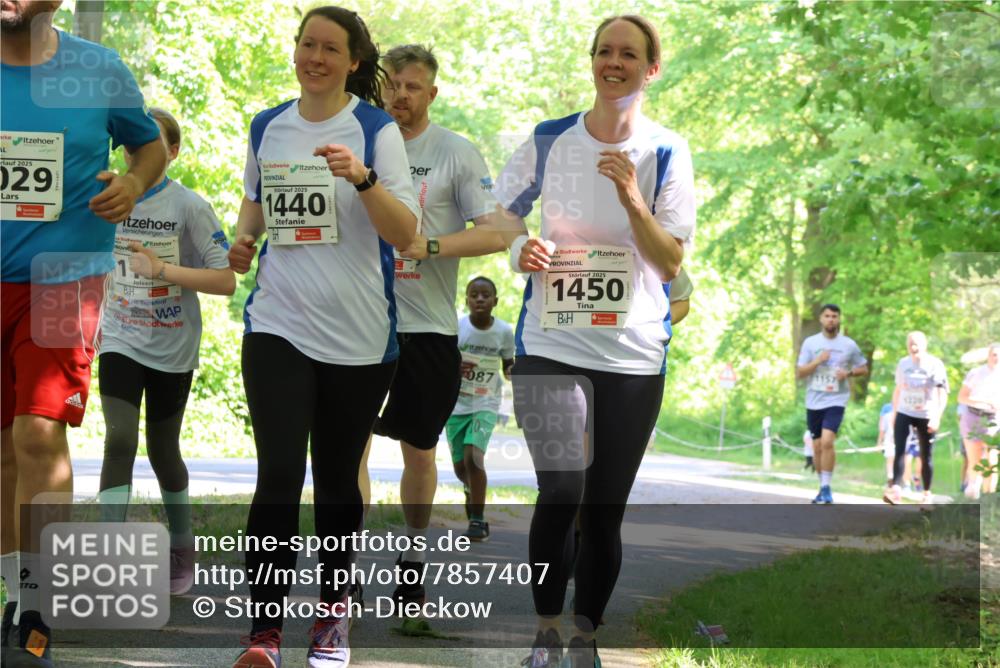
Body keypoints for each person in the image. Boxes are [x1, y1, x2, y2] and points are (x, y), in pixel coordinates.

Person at [494, 14, 696, 667]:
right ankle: (546, 633)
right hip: (551, 344)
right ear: (592, 61)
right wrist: (519, 248)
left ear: (650, 69)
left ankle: (586, 640)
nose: (614, 62)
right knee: (561, 491)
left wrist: (633, 198)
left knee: (603, 511)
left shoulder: (667, 150)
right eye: (604, 51)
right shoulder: (550, 139)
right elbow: (502, 214)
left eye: (629, 54)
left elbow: (669, 262)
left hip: (632, 355)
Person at [227, 7, 418, 668]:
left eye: (330, 48)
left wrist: (362, 178)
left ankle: (332, 615)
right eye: (307, 44)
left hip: (359, 337)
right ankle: (264, 634)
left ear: (353, 61)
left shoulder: (376, 130)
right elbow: (256, 202)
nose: (315, 57)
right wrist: (243, 240)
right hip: (278, 323)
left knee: (337, 481)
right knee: (279, 474)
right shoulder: (268, 125)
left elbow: (406, 234)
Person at [1, 2, 165, 665]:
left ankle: (37, 607)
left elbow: (149, 146)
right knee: (2, 447)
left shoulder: (98, 69)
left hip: (64, 276)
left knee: (38, 431)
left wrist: (133, 182)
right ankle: (15, 592)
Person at [361, 43, 504, 605]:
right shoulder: (357, 138)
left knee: (419, 450)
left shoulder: (455, 152)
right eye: (392, 85)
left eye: (412, 86)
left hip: (427, 330)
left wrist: (432, 245)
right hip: (357, 322)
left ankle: (413, 555)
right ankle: (344, 566)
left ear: (431, 93)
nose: (400, 95)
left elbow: (496, 232)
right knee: (348, 449)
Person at [96, 107, 235, 595]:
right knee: (119, 439)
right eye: (132, 142)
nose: (140, 150)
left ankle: (181, 545)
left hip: (172, 345)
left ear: (172, 152)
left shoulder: (189, 207)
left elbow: (225, 279)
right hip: (119, 337)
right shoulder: (108, 198)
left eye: (151, 142)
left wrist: (163, 271)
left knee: (162, 451)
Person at [446, 276, 514, 541]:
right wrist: (455, 366)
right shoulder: (458, 326)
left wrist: (513, 371)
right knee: (460, 467)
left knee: (474, 457)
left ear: (495, 301)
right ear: (466, 300)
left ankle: (478, 520)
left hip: (485, 403)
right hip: (456, 403)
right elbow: (446, 359)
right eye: (474, 295)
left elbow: (508, 365)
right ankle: (471, 488)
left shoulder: (504, 331)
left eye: (486, 295)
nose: (480, 299)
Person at [795, 304, 869, 504]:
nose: (831, 319)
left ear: (839, 319)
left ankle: (827, 488)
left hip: (836, 400)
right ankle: (822, 487)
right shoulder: (811, 343)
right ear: (821, 319)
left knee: (827, 441)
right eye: (827, 316)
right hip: (814, 401)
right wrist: (817, 361)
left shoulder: (848, 344)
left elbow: (863, 368)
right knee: (817, 446)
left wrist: (848, 373)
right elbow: (800, 372)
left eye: (834, 316)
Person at [884, 331, 949, 506]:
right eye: (910, 343)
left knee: (925, 455)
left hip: (926, 414)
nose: (913, 347)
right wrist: (895, 413)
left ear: (924, 345)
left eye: (917, 343)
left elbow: (942, 393)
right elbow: (898, 389)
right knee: (899, 450)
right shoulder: (903, 364)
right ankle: (895, 490)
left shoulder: (935, 364)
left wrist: (936, 416)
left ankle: (926, 493)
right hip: (905, 411)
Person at [958, 343, 999, 500]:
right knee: (975, 460)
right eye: (994, 354)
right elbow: (962, 397)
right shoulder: (976, 373)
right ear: (988, 356)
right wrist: (983, 401)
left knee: (991, 459)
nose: (996, 358)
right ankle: (973, 490)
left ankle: (989, 498)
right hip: (972, 416)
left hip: (993, 418)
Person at [878, 402, 894, 485]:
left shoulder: (886, 409)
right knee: (893, 461)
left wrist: (879, 442)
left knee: (890, 461)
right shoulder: (886, 408)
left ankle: (892, 479)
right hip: (891, 440)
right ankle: (892, 480)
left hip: (890, 440)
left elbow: (882, 428)